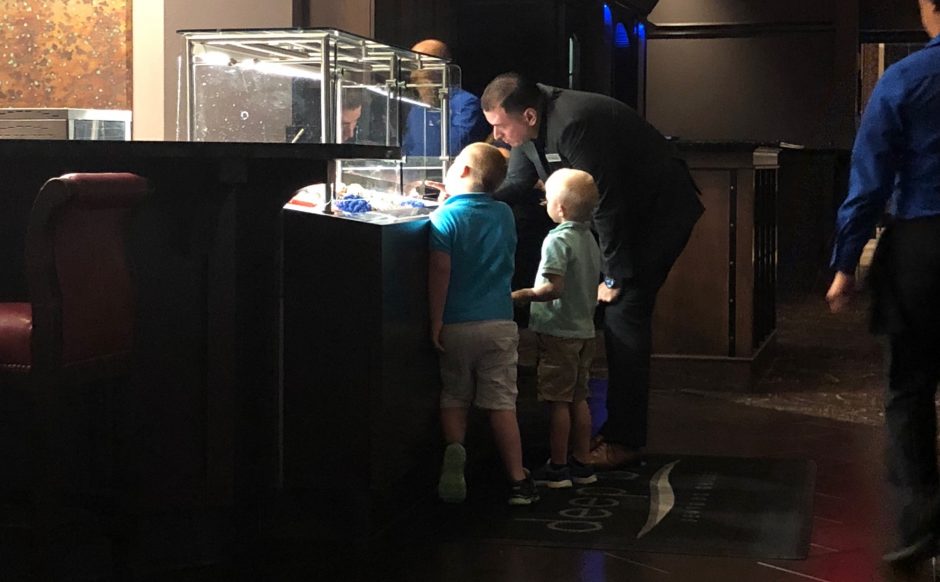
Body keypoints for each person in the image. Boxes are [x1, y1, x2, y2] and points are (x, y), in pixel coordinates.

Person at [481, 72, 704, 470]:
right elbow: (516, 184)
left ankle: (627, 439)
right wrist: (464, 195)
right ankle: (608, 428)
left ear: (528, 115)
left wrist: (614, 278)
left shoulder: (574, 123)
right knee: (614, 316)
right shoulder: (528, 132)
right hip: (623, 218)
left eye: (499, 126)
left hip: (660, 214)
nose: (495, 136)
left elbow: (608, 202)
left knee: (625, 317)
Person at [826, 1, 940, 575]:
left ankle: (922, 521)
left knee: (910, 390)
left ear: (929, 8)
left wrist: (846, 263)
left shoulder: (905, 78)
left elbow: (870, 177)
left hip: (922, 249)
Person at [427, 142, 539, 506]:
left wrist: (435, 320)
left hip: (457, 324)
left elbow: (440, 270)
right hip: (499, 324)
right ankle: (519, 479)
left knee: (455, 395)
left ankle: (455, 455)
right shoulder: (504, 213)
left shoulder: (444, 218)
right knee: (502, 403)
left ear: (460, 172)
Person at [512, 169, 601, 488]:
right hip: (584, 331)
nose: (544, 203)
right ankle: (583, 462)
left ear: (560, 208)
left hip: (558, 331)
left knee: (557, 402)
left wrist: (522, 295)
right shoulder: (588, 237)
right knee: (579, 399)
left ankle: (558, 466)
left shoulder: (557, 239)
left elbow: (553, 288)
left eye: (547, 199)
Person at [403, 39, 490, 157]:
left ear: (440, 67)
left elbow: (454, 147)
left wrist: (430, 104)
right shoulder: (417, 109)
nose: (414, 73)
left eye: (421, 64)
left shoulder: (466, 103)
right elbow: (408, 147)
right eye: (413, 64)